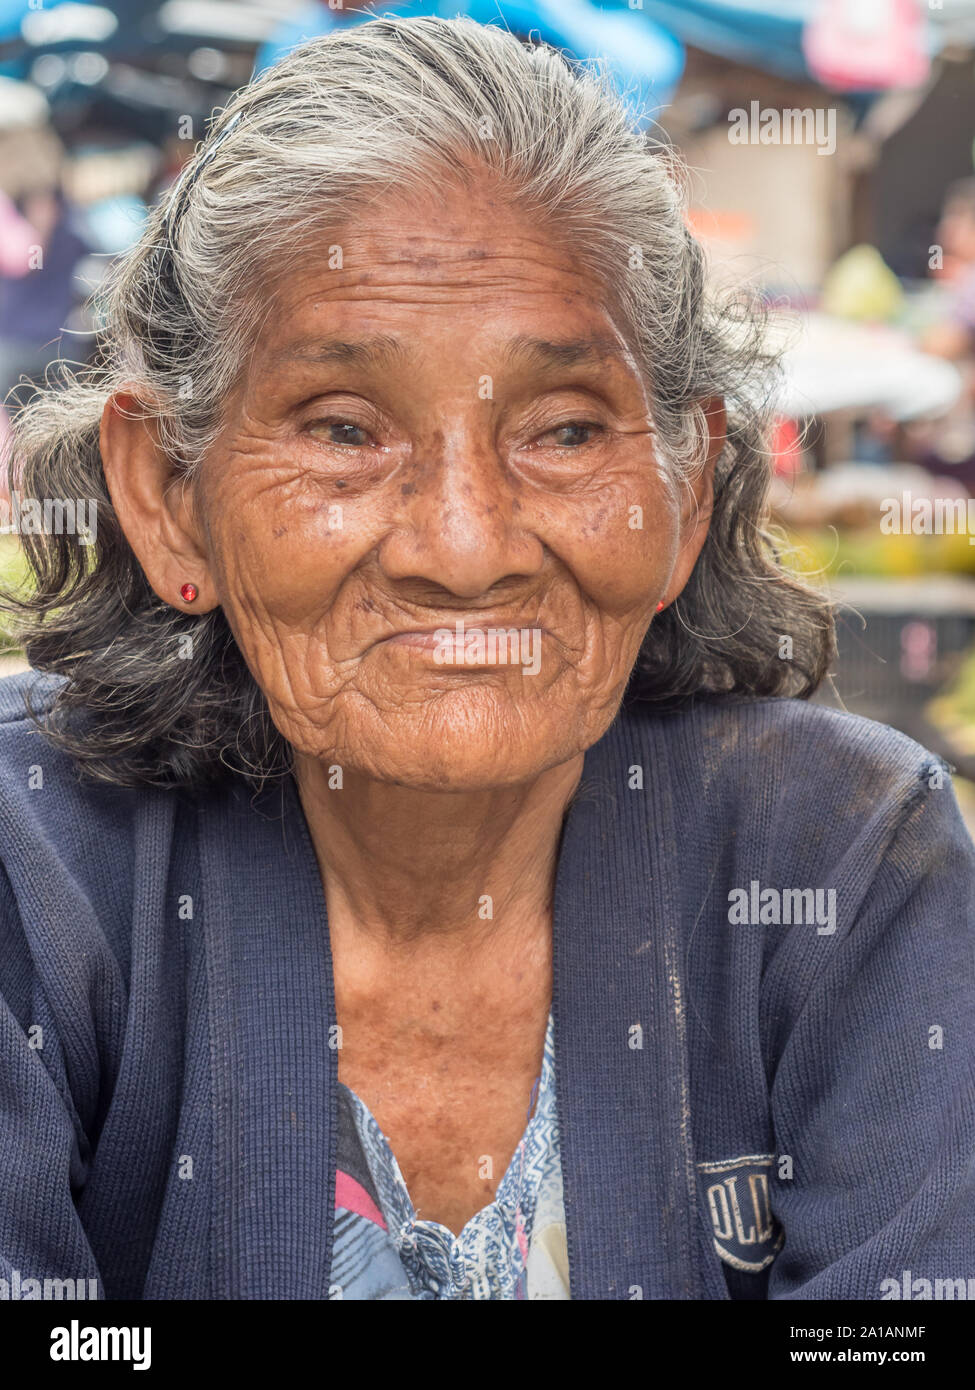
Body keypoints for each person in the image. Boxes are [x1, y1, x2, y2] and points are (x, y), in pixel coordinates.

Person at [0, 16, 973, 1301]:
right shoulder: (36, 865)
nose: (463, 549)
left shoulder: (842, 856)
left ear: (686, 487)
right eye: (343, 428)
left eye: (567, 430)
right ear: (170, 496)